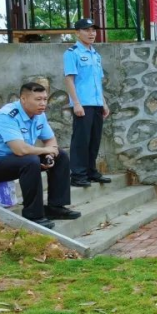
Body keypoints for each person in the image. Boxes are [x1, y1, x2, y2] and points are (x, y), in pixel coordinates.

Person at [0, 83, 80, 229]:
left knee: (61, 156)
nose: (42, 103)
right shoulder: (8, 115)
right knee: (30, 161)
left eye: (45, 99)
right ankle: (33, 215)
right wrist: (45, 151)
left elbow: (50, 140)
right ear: (23, 99)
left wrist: (50, 155)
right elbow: (20, 150)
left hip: (14, 161)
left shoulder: (38, 115)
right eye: (38, 99)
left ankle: (56, 207)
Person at [63, 17, 111, 188]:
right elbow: (69, 79)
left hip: (96, 103)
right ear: (77, 33)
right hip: (83, 103)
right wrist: (76, 103)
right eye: (87, 30)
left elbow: (98, 81)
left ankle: (91, 171)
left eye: (93, 30)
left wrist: (104, 103)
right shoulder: (72, 53)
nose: (91, 33)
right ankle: (77, 175)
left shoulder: (95, 55)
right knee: (81, 140)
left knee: (94, 139)